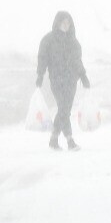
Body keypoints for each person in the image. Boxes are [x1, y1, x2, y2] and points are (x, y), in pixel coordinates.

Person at [36, 11, 90, 151]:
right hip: (57, 79)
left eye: (68, 23)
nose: (66, 25)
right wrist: (40, 75)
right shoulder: (48, 40)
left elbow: (77, 60)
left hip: (71, 80)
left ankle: (54, 139)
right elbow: (43, 58)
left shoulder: (73, 41)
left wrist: (83, 75)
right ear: (57, 23)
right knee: (64, 108)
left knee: (64, 110)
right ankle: (69, 140)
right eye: (63, 22)